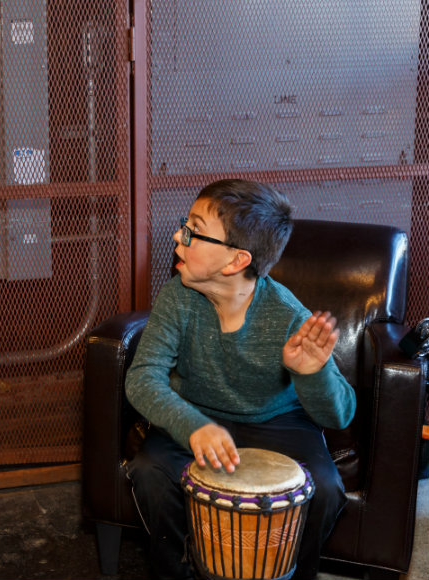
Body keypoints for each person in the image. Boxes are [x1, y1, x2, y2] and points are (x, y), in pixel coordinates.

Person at [124, 179, 356, 580]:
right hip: (197, 416)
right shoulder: (176, 297)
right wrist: (193, 426)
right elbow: (143, 377)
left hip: (276, 421)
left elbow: (340, 415)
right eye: (186, 223)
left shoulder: (287, 315)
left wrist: (312, 373)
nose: (179, 235)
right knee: (150, 473)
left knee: (325, 487)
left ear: (235, 262)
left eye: (194, 230)